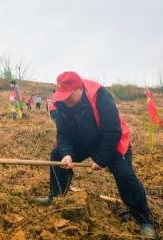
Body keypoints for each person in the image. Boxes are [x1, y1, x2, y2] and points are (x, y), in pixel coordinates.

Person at [36, 71, 156, 238]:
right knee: (57, 155)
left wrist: (101, 159)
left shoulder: (100, 96)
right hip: (83, 141)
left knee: (124, 174)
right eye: (62, 95)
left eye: (68, 95)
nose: (65, 99)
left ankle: (143, 219)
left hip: (111, 141)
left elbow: (113, 131)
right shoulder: (61, 103)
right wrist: (66, 153)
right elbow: (63, 134)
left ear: (80, 89)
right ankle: (56, 197)